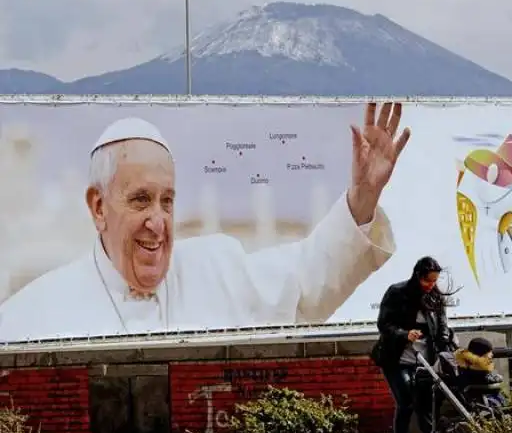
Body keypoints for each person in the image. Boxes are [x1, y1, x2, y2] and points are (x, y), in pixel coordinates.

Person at [0, 102, 411, 342]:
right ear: (98, 207)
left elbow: (308, 281)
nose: (157, 222)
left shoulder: (218, 266)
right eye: (140, 200)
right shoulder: (28, 315)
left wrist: (362, 198)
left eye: (167, 201)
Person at [373, 256, 456, 433]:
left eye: (434, 281)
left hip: (424, 359)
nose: (430, 285)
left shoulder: (436, 298)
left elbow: (442, 327)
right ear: (417, 276)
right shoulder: (397, 293)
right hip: (397, 357)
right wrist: (404, 334)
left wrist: (446, 350)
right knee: (407, 400)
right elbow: (384, 324)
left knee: (425, 402)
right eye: (427, 280)